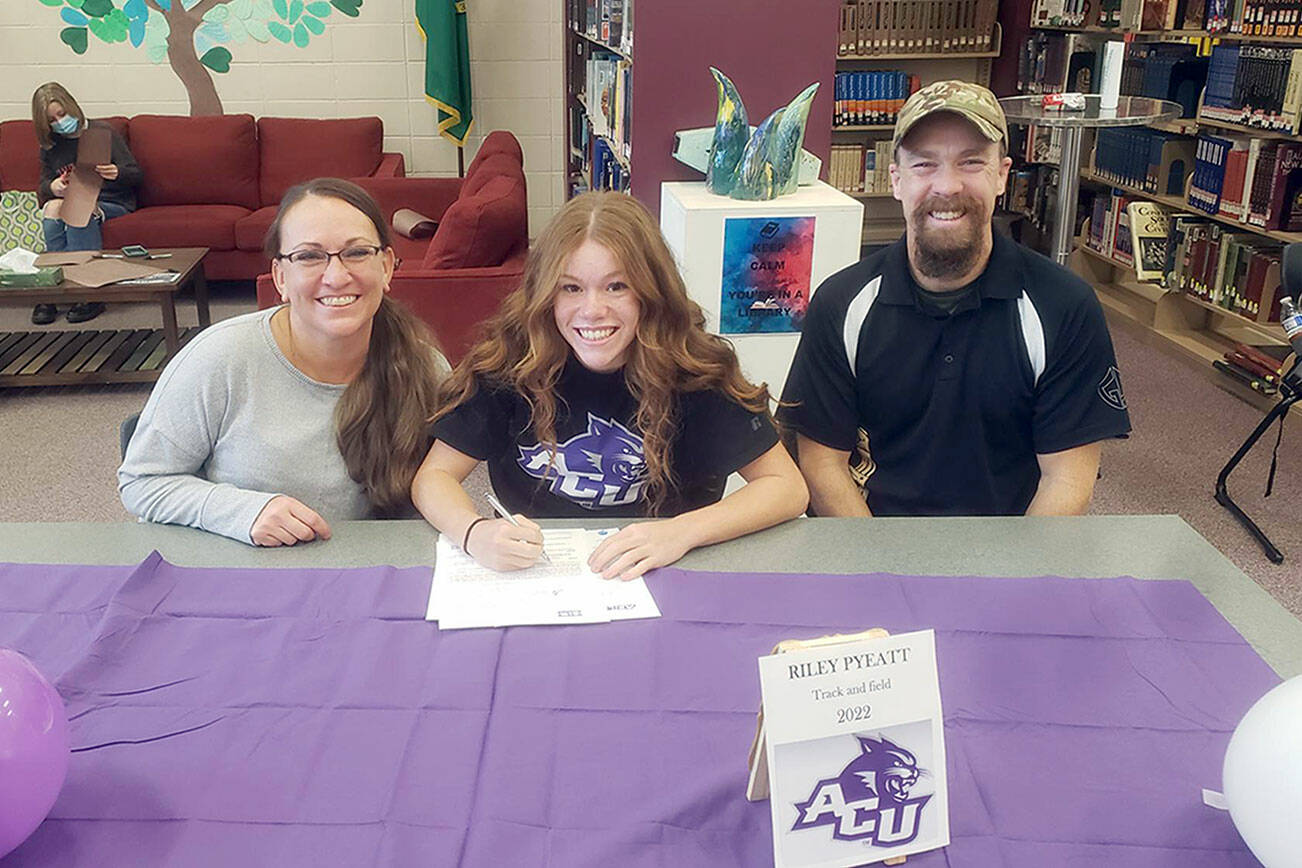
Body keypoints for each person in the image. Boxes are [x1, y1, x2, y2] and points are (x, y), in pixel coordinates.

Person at [411, 191, 808, 580]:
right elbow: (434, 478)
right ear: (545, 295)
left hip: (667, 568)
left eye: (616, 286)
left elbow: (786, 488)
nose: (592, 310)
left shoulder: (696, 371)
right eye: (570, 288)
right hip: (536, 573)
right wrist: (473, 532)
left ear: (651, 292)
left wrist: (683, 532)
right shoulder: (509, 364)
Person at [779, 81, 1131, 517]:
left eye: (970, 163)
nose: (947, 186)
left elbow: (1068, 482)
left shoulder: (1064, 307)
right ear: (896, 180)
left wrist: (1007, 582)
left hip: (1009, 553)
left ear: (1002, 174)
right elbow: (822, 464)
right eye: (925, 164)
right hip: (870, 543)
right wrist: (879, 576)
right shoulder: (840, 303)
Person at [119, 178, 447, 546]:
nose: (337, 277)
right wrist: (240, 510)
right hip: (242, 578)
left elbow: (436, 495)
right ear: (280, 277)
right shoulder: (219, 358)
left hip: (367, 578)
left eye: (356, 253)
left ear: (386, 266)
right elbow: (142, 484)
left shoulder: (428, 371)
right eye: (309, 256)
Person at [31, 81, 142, 325]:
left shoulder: (102, 132)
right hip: (72, 199)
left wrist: (117, 172)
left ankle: (89, 291)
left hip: (111, 201)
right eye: (52, 120)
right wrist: (53, 187)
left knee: (81, 207)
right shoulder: (51, 145)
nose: (59, 122)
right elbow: (43, 185)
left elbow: (136, 175)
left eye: (62, 114)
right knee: (52, 207)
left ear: (72, 107)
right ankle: (53, 286)